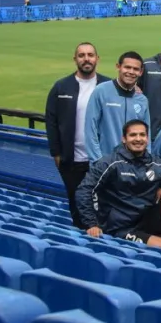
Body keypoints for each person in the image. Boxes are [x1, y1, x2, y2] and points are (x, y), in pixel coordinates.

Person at [75, 120, 161, 248]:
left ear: (147, 138)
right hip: (120, 226)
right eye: (133, 135)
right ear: (124, 139)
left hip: (144, 218)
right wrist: (92, 224)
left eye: (142, 135)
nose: (138, 139)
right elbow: (84, 190)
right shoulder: (109, 163)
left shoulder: (157, 164)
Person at [44, 42, 110, 227]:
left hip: (102, 159)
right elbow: (51, 120)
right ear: (75, 59)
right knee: (78, 205)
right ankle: (82, 242)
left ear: (97, 58)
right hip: (72, 161)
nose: (86, 59)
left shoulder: (108, 85)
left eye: (90, 54)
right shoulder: (61, 87)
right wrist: (56, 153)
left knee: (103, 205)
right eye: (81, 55)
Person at [84, 51, 151, 160]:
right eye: (127, 67)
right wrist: (98, 162)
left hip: (133, 167)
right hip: (106, 164)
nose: (131, 72)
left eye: (135, 69)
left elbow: (146, 135)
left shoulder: (142, 100)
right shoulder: (101, 91)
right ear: (118, 67)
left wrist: (145, 163)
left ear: (141, 72)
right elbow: (90, 130)